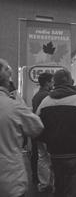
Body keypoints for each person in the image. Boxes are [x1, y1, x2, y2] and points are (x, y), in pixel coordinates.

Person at [36, 69, 76, 197]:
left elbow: (37, 127)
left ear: (55, 83)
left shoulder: (45, 102)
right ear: (71, 81)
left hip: (55, 154)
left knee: (60, 188)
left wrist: (49, 141)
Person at [0, 58, 44, 197]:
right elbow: (36, 127)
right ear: (7, 80)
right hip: (9, 179)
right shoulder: (12, 106)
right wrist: (15, 96)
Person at [31, 72, 54, 192]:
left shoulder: (36, 95)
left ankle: (43, 183)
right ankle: (47, 184)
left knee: (42, 157)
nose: (53, 83)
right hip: (46, 131)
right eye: (51, 81)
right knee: (46, 158)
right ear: (47, 83)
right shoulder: (47, 96)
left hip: (38, 131)